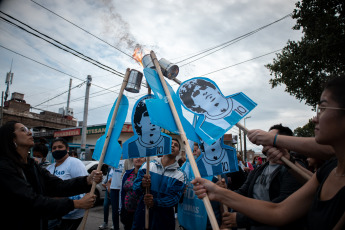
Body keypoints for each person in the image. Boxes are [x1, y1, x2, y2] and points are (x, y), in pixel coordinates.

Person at [192, 77, 345, 229]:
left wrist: (239, 217)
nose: (314, 119)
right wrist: (220, 191)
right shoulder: (328, 172)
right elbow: (279, 211)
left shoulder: (291, 169)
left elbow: (279, 208)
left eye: (323, 109)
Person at [0, 121, 103, 230]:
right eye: (23, 130)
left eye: (28, 129)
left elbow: (58, 186)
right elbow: (31, 201)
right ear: (12, 139)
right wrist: (75, 204)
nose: (30, 133)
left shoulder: (33, 166)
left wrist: (87, 180)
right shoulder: (5, 168)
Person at [223, 124, 303, 230]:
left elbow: (283, 206)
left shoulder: (295, 170)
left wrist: (242, 219)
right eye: (265, 140)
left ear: (285, 144)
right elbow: (243, 192)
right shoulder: (259, 169)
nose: (265, 145)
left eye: (271, 141)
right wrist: (224, 191)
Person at [131, 138, 187, 230]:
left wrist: (154, 202)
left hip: (164, 220)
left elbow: (174, 199)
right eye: (170, 143)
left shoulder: (180, 175)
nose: (172, 145)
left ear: (178, 152)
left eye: (176, 145)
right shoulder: (148, 165)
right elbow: (135, 187)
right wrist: (142, 185)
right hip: (142, 216)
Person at [46, 138, 89, 230]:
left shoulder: (74, 163)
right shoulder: (49, 167)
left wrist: (67, 205)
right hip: (54, 214)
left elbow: (82, 190)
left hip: (70, 216)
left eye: (60, 147)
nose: (57, 149)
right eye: (54, 148)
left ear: (67, 149)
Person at [120, 157, 146, 230]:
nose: (138, 159)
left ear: (145, 159)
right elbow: (123, 192)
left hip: (141, 214)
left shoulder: (148, 175)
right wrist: (122, 209)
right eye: (135, 157)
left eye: (141, 157)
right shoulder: (127, 173)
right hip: (127, 213)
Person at [107, 159, 125, 230]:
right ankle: (116, 227)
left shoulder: (128, 160)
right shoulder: (114, 160)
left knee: (124, 211)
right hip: (114, 188)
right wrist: (108, 186)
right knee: (115, 211)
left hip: (123, 188)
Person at [99, 165, 114, 230]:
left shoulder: (119, 168)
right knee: (105, 206)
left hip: (115, 191)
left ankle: (114, 224)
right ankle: (105, 223)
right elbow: (104, 182)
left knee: (114, 208)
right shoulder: (110, 169)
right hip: (107, 192)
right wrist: (107, 186)